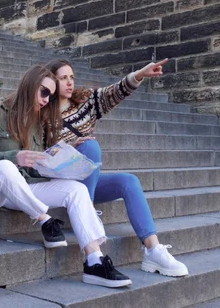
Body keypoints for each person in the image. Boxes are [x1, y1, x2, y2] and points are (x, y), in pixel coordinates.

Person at [0, 65, 132, 288]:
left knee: (76, 189)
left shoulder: (34, 124)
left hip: (21, 192)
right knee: (6, 166)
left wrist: (57, 162)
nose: (46, 100)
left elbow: (34, 167)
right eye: (44, 92)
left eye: (51, 96)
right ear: (29, 85)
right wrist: (15, 156)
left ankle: (95, 261)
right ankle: (45, 220)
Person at [45, 58, 189, 277]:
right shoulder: (42, 113)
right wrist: (68, 146)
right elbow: (40, 155)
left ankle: (153, 250)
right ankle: (88, 212)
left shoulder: (85, 102)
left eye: (72, 77)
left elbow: (115, 91)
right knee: (90, 146)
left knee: (129, 181)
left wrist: (140, 73)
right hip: (62, 182)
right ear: (51, 81)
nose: (69, 82)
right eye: (63, 78)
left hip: (87, 181)